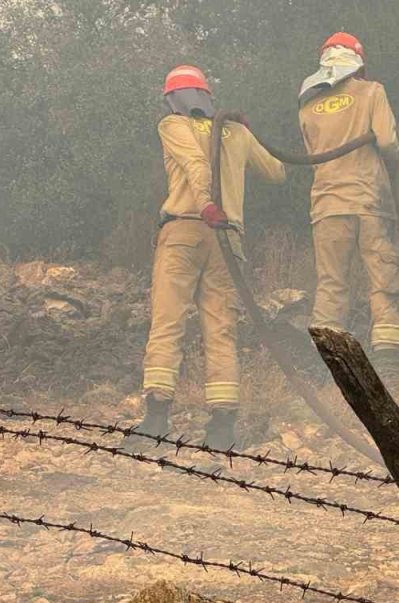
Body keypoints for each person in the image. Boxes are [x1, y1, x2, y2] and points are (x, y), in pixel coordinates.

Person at [135, 65, 285, 449]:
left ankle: (155, 421)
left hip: (186, 228)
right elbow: (277, 171)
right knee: (221, 328)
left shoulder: (172, 125)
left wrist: (205, 204)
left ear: (172, 98)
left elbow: (196, 165)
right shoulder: (234, 131)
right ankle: (222, 427)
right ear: (207, 95)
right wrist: (246, 137)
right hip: (227, 238)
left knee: (167, 322)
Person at [298, 32, 399, 372]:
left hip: (328, 205)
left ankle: (327, 361)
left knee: (331, 282)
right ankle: (388, 358)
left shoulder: (308, 105)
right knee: (382, 275)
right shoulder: (372, 91)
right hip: (369, 200)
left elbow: (312, 153)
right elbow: (387, 142)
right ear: (359, 62)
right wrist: (396, 169)